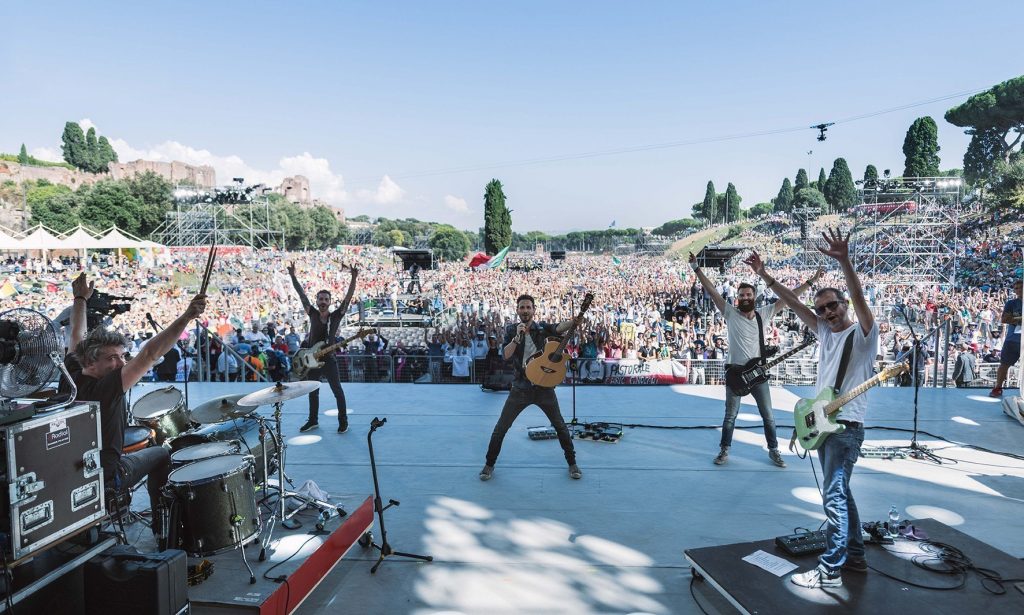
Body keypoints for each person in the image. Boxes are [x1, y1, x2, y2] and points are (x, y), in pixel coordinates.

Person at [746, 228, 879, 589]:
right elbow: (792, 302)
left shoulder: (863, 336)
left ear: (844, 305)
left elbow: (859, 295)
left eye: (832, 306)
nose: (826, 312)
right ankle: (855, 556)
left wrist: (845, 262)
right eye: (821, 309)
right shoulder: (823, 332)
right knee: (842, 494)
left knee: (833, 497)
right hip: (823, 423)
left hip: (846, 427)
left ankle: (830, 570)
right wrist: (764, 275)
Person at [66, 272, 206, 536]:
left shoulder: (71, 374)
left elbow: (77, 334)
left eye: (122, 356)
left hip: (74, 472)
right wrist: (187, 316)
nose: (121, 363)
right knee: (161, 453)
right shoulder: (105, 388)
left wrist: (80, 299)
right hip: (106, 476)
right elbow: (150, 353)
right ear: (91, 362)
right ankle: (162, 530)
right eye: (112, 358)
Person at [690, 253, 821, 467]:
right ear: (737, 298)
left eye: (748, 294)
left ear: (755, 296)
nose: (745, 298)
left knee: (768, 416)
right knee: (730, 416)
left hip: (758, 374)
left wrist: (811, 281)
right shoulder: (730, 313)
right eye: (742, 295)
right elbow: (712, 291)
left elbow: (790, 298)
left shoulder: (764, 314)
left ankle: (774, 450)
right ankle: (724, 450)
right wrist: (696, 268)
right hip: (735, 373)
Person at [480, 294, 583, 481]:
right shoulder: (512, 330)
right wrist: (516, 338)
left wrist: (573, 322)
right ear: (517, 310)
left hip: (544, 388)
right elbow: (505, 355)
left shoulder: (542, 328)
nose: (525, 310)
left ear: (534, 310)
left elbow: (559, 327)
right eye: (522, 307)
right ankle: (489, 465)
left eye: (528, 307)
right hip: (520, 388)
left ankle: (572, 463)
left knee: (560, 426)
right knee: (501, 428)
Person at [288, 261, 358, 433]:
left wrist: (354, 278)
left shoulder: (336, 316)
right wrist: (292, 276)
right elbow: (301, 294)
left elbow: (348, 298)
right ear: (317, 301)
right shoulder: (312, 313)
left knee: (337, 391)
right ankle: (313, 421)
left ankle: (343, 421)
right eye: (321, 299)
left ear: (330, 302)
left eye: (326, 299)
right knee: (313, 392)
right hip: (311, 360)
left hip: (329, 359)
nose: (323, 301)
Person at [990, 278, 1022, 398]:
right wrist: (1021, 319)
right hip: (1013, 340)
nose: (1018, 290)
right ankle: (998, 387)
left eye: (1021, 287)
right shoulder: (1011, 303)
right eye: (1016, 288)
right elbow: (1004, 319)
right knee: (1004, 364)